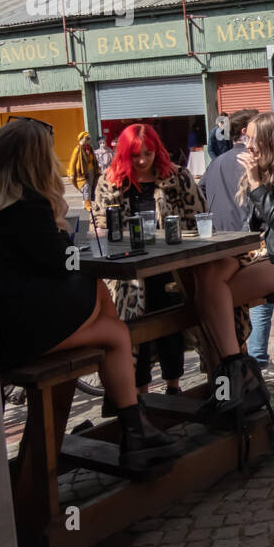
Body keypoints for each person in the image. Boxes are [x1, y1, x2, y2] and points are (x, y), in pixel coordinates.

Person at [0, 118, 180, 469]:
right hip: (21, 332)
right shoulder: (27, 203)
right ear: (35, 161)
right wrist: (59, 225)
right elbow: (60, 265)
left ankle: (134, 426)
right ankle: (134, 429)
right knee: (103, 300)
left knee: (114, 330)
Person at [191, 112, 274, 412]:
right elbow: (252, 226)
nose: (245, 144)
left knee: (212, 299)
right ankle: (235, 366)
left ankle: (234, 372)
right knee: (207, 276)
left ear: (268, 140)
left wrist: (254, 184)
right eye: (244, 137)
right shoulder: (259, 169)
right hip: (258, 250)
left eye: (250, 138)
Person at [93, 123, 207, 396]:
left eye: (148, 153)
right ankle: (140, 393)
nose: (143, 160)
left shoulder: (177, 177)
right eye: (135, 155)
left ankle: (174, 388)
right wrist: (106, 231)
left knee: (172, 329)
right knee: (133, 333)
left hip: (170, 268)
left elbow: (198, 216)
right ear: (124, 154)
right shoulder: (111, 181)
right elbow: (97, 226)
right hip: (129, 274)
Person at [199, 109, 274, 372]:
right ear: (247, 130)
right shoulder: (256, 162)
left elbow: (200, 197)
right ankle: (250, 360)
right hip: (251, 245)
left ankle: (230, 365)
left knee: (216, 296)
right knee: (253, 301)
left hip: (219, 244)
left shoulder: (215, 163)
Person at [67, 130, 100, 212]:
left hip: (92, 171)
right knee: (86, 187)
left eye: (89, 138)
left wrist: (97, 169)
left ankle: (90, 202)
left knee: (91, 187)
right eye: (87, 138)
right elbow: (72, 162)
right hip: (82, 173)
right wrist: (71, 174)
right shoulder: (77, 150)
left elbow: (94, 160)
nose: (89, 140)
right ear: (82, 139)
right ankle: (87, 204)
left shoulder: (90, 148)